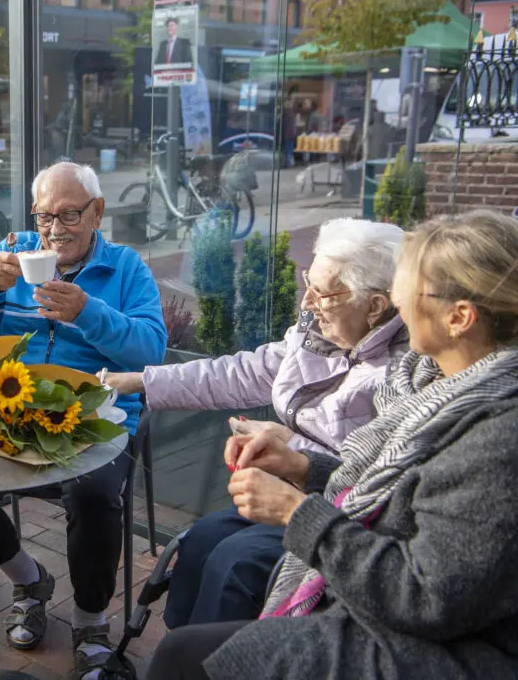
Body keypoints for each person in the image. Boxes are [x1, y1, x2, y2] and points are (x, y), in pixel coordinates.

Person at [145, 209, 518, 680]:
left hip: (427, 643)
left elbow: (426, 597)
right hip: (357, 542)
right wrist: (303, 468)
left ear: (459, 317)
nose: (399, 309)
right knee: (201, 566)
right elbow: (384, 481)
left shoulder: (496, 437)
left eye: (406, 292)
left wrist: (296, 509)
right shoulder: (429, 381)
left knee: (197, 639)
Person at [108, 219, 408, 629]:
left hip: (341, 515)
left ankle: (214, 661)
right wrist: (142, 382)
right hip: (290, 485)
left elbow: (382, 477)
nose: (306, 303)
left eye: (322, 293)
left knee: (235, 566)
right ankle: (182, 648)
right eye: (308, 283)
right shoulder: (322, 333)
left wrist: (291, 448)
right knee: (201, 541)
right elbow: (243, 373)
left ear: (374, 305)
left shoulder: (402, 374)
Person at [0, 161, 167, 679]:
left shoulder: (125, 268)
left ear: (97, 212)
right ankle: (28, 577)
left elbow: (151, 349)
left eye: (68, 215)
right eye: (44, 217)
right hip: (14, 414)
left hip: (96, 418)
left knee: (94, 493)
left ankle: (90, 621)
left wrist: (87, 311)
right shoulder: (10, 253)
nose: (54, 229)